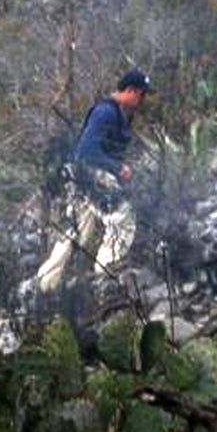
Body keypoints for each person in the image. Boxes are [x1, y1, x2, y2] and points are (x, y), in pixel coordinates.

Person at [31, 68, 154, 296]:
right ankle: (106, 281)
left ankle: (42, 288)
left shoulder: (113, 112)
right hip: (92, 175)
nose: (142, 100)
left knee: (75, 233)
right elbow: (87, 151)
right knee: (122, 221)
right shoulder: (105, 113)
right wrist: (118, 168)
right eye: (141, 94)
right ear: (130, 91)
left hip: (80, 178)